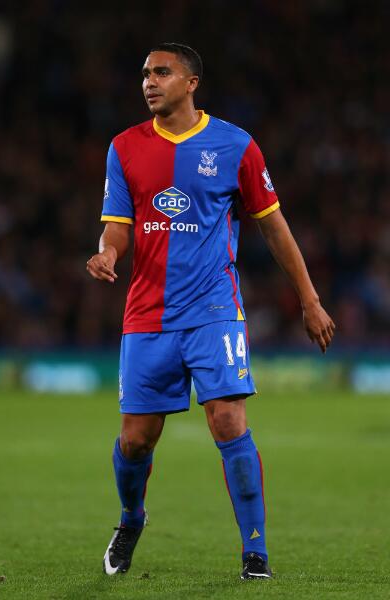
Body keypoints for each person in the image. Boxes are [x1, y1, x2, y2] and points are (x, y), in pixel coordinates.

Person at [86, 42, 335, 580]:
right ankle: (131, 518)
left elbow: (273, 226)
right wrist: (107, 253)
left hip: (214, 308)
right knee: (136, 440)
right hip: (148, 314)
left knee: (227, 420)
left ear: (191, 82)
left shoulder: (235, 145)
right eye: (145, 74)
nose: (149, 82)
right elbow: (117, 226)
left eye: (162, 72)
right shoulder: (124, 147)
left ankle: (255, 551)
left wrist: (310, 300)